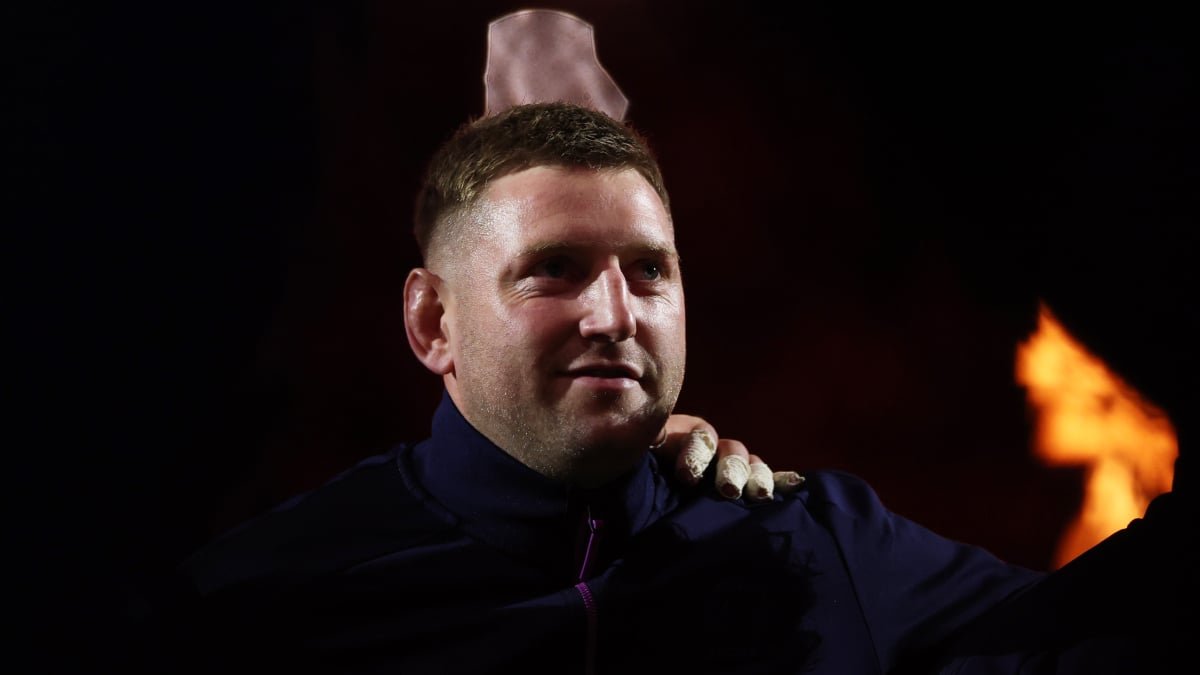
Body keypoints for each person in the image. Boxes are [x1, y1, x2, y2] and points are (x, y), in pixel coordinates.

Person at [162, 102, 1193, 674]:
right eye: (554, 269)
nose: (616, 313)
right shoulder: (266, 602)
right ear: (435, 322)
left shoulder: (815, 540)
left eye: (649, 270)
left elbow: (1109, 624)